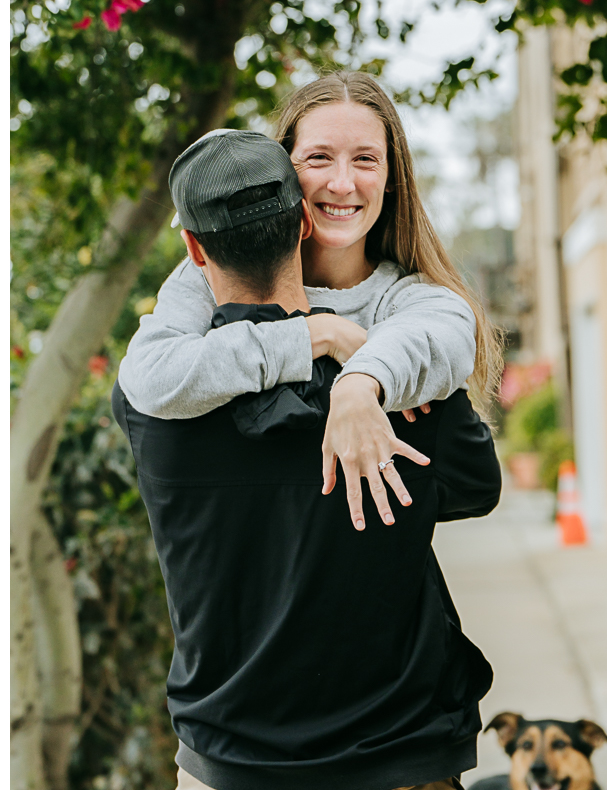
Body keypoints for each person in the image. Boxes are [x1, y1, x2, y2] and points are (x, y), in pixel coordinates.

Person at [112, 128, 502, 790]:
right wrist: (349, 354)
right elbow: (474, 486)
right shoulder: (396, 381)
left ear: (190, 248)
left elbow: (162, 359)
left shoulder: (154, 403)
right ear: (302, 225)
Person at [118, 71, 503, 531]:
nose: (342, 184)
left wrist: (361, 384)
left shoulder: (409, 302)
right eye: (319, 157)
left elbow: (448, 334)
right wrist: (315, 334)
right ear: (285, 170)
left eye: (365, 159)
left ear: (391, 177)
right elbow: (148, 375)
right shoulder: (211, 274)